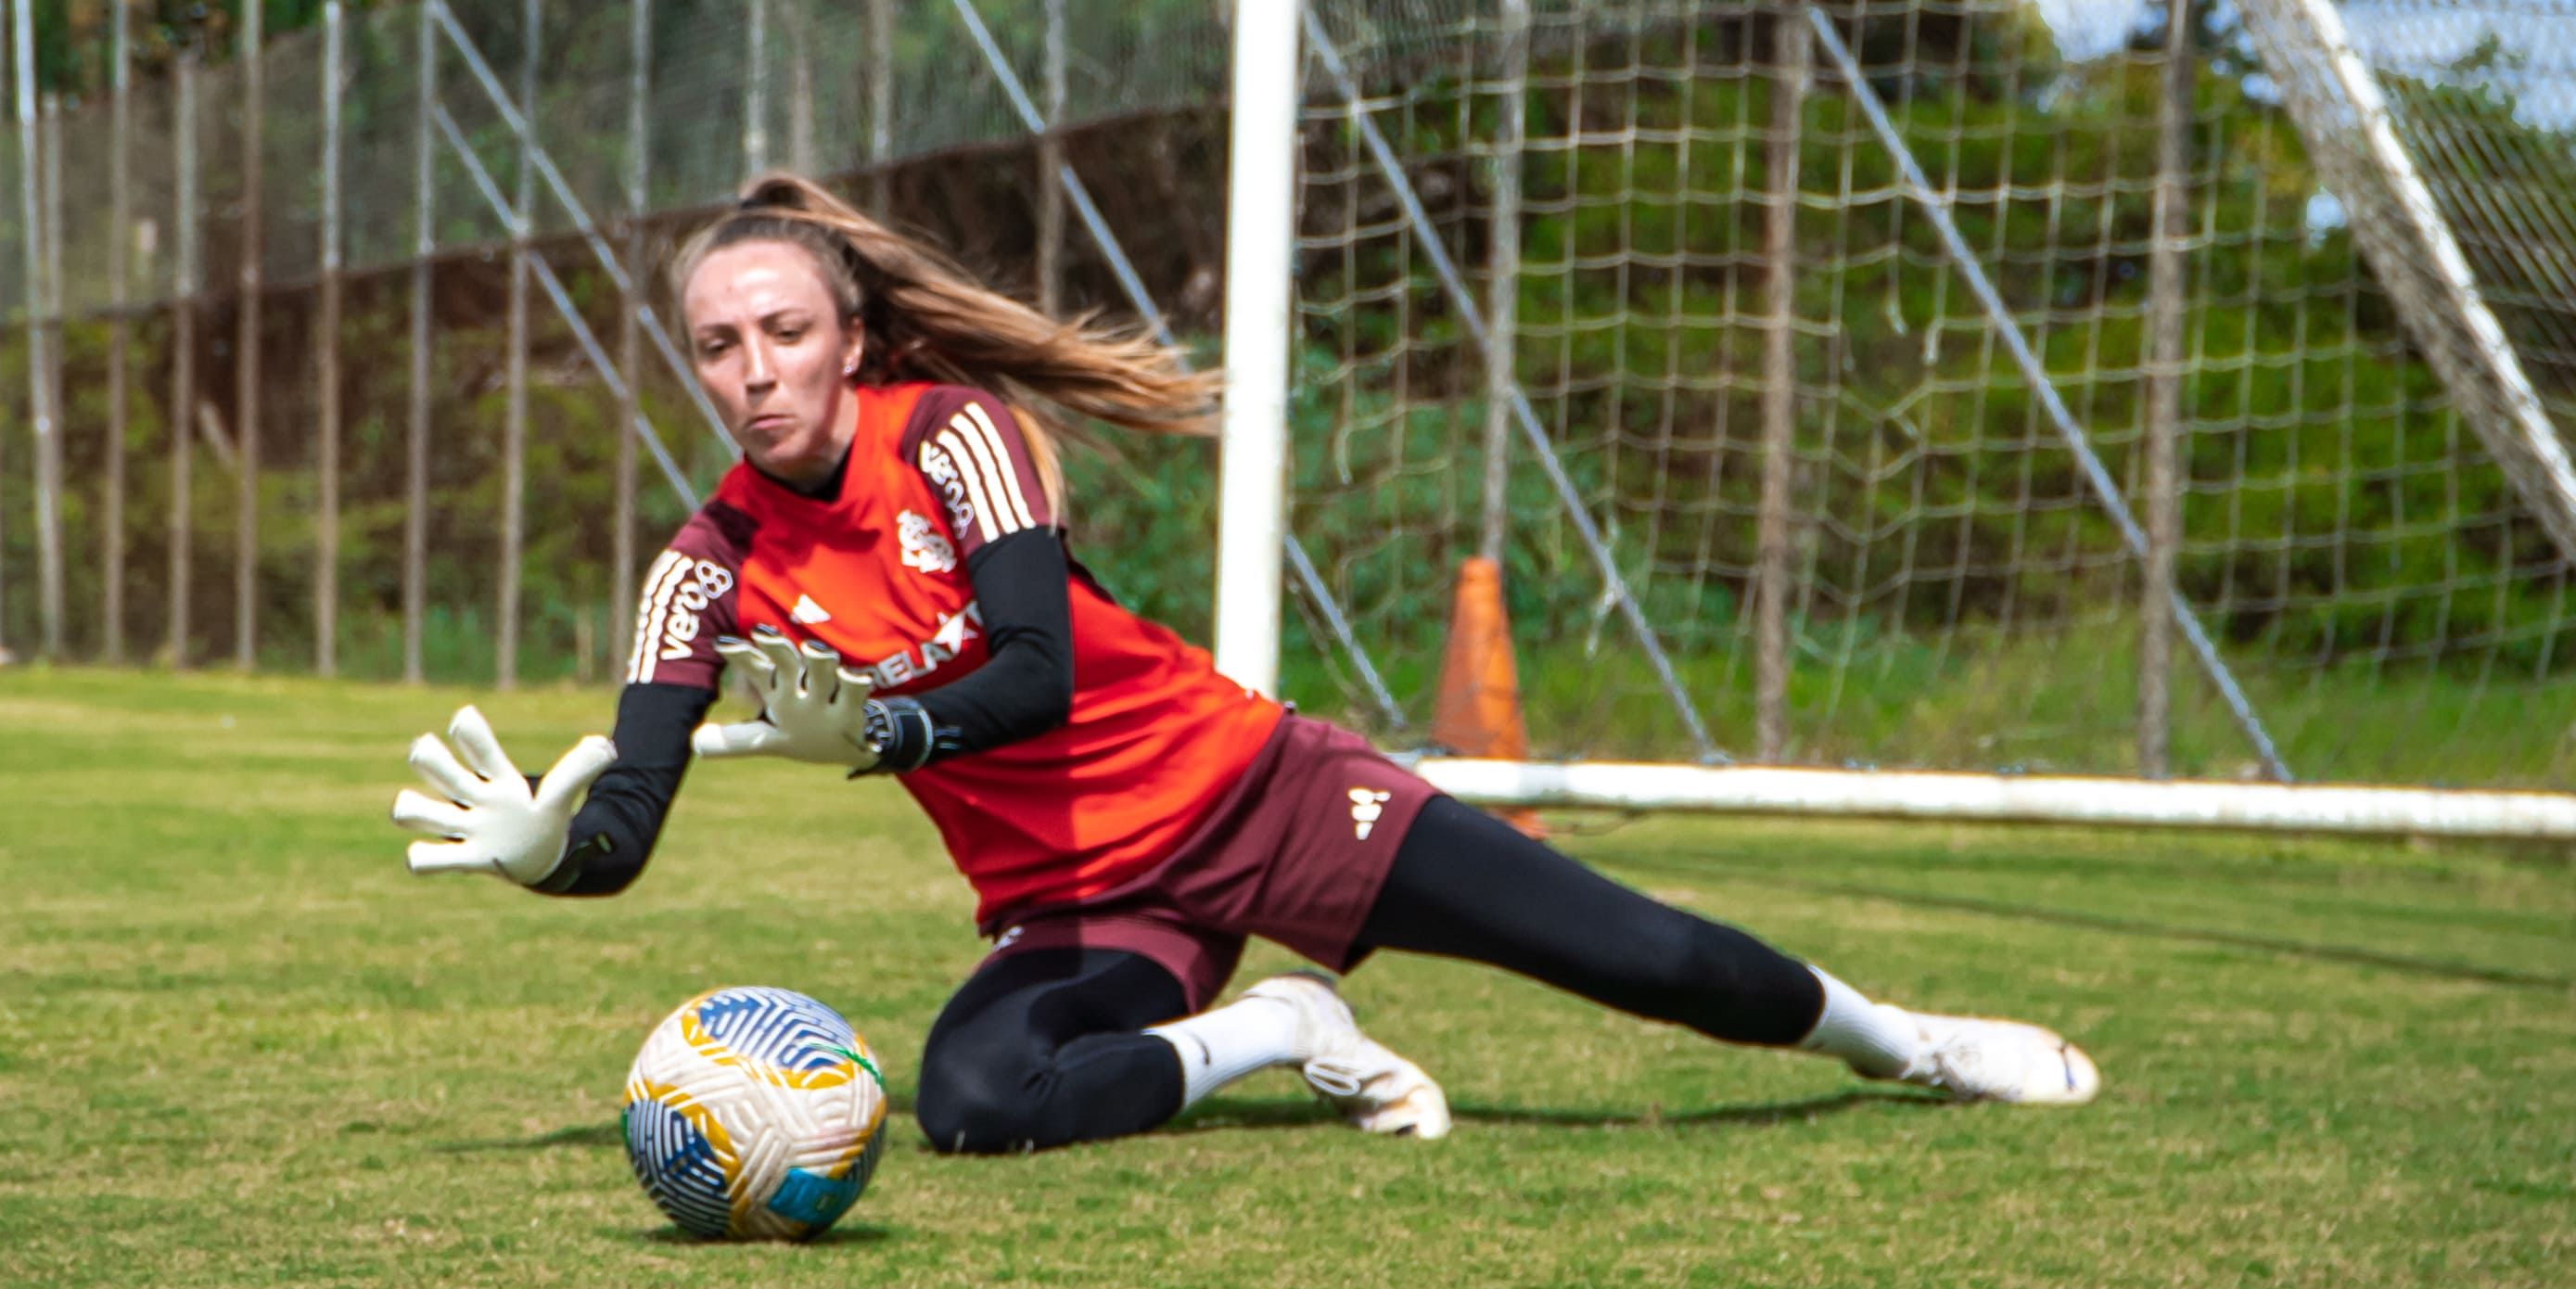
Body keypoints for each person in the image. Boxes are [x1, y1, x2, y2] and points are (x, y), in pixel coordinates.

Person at [389, 175, 2097, 1152]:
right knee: (979, 1105)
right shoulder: (701, 569)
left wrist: (895, 723)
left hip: (1260, 797)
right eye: (716, 345)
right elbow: (628, 822)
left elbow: (1040, 671)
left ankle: (1913, 1042)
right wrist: (558, 854)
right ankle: (1281, 1025)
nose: (752, 369)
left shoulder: (958, 434)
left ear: (847, 337)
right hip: (1079, 898)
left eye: (783, 331)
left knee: (1650, 961)